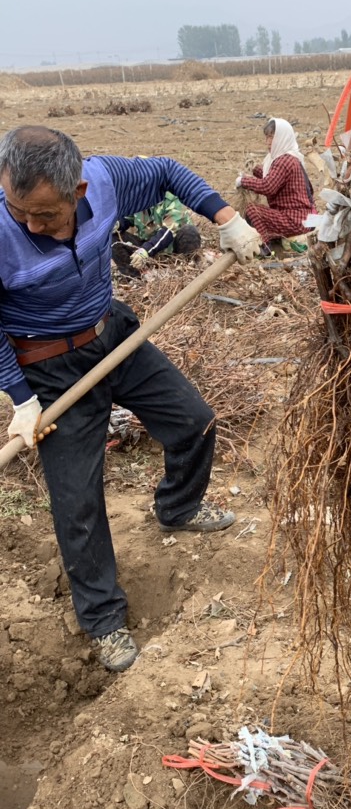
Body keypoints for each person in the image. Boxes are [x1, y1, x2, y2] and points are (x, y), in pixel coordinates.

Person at [0, 126, 262, 673]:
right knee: (77, 503)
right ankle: (103, 620)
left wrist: (225, 218)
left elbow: (167, 169)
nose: (29, 224)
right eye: (17, 208)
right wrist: (21, 400)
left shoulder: (104, 179)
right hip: (47, 367)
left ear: (78, 192)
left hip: (113, 334)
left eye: (44, 214)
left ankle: (179, 506)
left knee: (194, 420)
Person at [235, 117, 315, 255]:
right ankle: (273, 240)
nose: (268, 142)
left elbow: (268, 186)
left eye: (272, 137)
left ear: (281, 137)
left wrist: (243, 181)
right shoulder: (291, 157)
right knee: (257, 213)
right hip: (303, 218)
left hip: (294, 220)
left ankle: (265, 247)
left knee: (252, 210)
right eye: (267, 138)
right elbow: (273, 177)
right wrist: (254, 169)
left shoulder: (284, 161)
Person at [111, 191, 202, 278]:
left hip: (174, 250)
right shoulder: (139, 200)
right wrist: (118, 224)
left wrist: (145, 250)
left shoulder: (172, 200)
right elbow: (129, 218)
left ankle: (188, 270)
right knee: (112, 237)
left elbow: (168, 233)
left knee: (189, 231)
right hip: (150, 251)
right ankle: (135, 277)